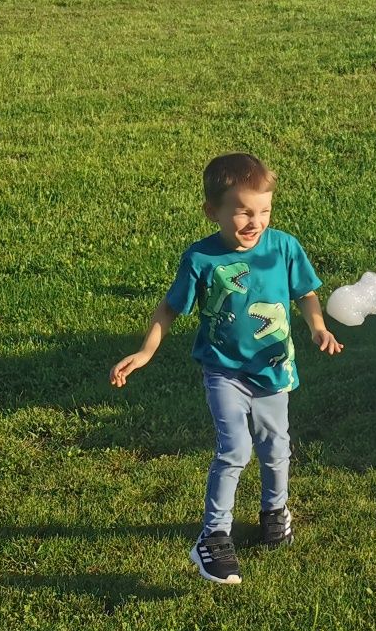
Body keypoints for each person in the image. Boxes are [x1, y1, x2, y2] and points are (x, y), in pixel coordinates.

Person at [111, 153, 342, 584]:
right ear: (212, 211)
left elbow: (305, 293)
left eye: (265, 211)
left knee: (276, 446)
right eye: (243, 212)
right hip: (223, 371)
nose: (256, 222)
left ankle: (275, 513)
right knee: (235, 449)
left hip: (273, 369)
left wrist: (317, 328)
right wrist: (145, 352)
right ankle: (213, 536)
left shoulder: (285, 247)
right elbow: (169, 309)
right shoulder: (201, 259)